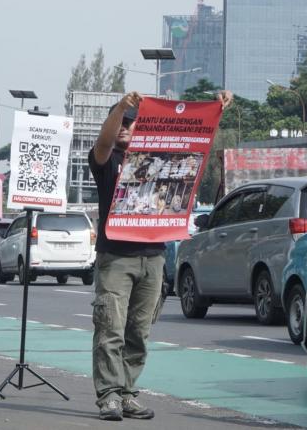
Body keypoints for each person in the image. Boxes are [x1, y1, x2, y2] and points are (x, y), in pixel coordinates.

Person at [88, 89, 232, 421]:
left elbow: (193, 141)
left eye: (129, 122)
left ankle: (127, 393)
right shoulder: (106, 160)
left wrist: (215, 110)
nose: (124, 127)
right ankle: (109, 395)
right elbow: (105, 143)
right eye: (120, 122)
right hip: (116, 257)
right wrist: (123, 106)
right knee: (110, 327)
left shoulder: (161, 158)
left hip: (153, 256)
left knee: (138, 331)